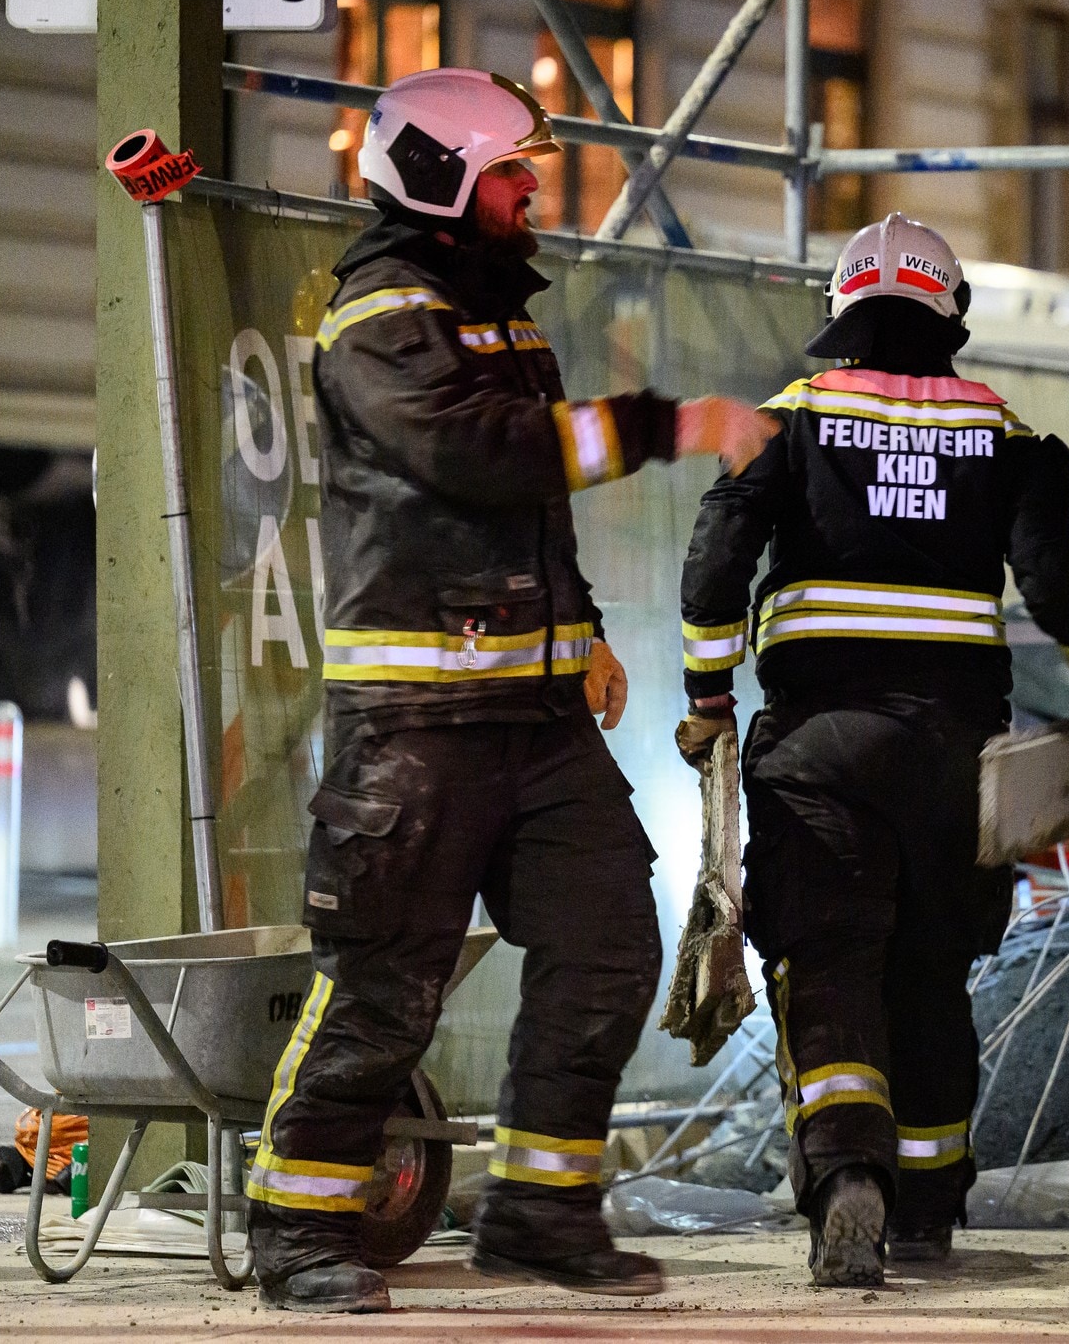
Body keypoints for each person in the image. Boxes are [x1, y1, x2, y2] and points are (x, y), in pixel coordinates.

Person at [244, 67, 776, 1314]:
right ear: (439, 178)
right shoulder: (380, 311)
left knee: (602, 949)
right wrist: (672, 422)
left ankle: (540, 1213)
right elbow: (474, 452)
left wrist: (580, 623)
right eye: (509, 172)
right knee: (385, 981)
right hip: (418, 726)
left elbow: (525, 508)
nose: (533, 189)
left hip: (532, 720)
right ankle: (296, 1229)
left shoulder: (493, 311)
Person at [675, 213, 1069, 1287]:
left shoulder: (790, 420)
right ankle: (933, 1205)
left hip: (818, 746)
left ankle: (849, 1178)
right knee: (933, 974)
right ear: (950, 315)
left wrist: (706, 694)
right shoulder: (1010, 435)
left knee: (832, 964)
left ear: (840, 312)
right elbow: (1052, 580)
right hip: (957, 757)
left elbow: (715, 561)